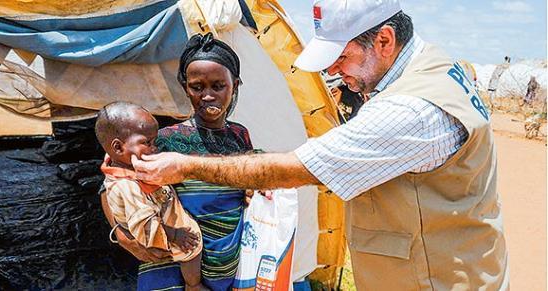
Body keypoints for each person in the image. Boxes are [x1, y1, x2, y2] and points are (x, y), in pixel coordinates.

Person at [129, 0, 509, 290]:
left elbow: (299, 169)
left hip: (436, 279)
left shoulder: (412, 108)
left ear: (384, 40)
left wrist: (187, 166)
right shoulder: (433, 67)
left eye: (341, 56)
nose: (332, 72)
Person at [101, 33, 255, 291]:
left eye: (218, 86)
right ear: (186, 87)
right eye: (197, 87)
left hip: (225, 260)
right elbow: (111, 184)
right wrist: (120, 231)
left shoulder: (240, 136)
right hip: (173, 264)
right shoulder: (163, 140)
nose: (207, 95)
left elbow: (249, 183)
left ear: (235, 85)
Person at [95, 101, 204, 291]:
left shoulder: (125, 164)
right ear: (118, 148)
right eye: (148, 143)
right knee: (191, 250)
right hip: (167, 237)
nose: (155, 148)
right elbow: (143, 223)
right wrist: (174, 234)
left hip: (167, 222)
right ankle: (193, 285)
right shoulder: (127, 184)